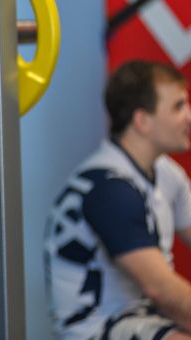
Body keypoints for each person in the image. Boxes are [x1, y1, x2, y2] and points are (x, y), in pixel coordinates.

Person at [44, 60, 191, 339]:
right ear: (142, 121)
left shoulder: (168, 173)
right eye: (178, 107)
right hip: (95, 326)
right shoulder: (109, 188)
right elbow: (160, 289)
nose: (189, 117)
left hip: (144, 317)